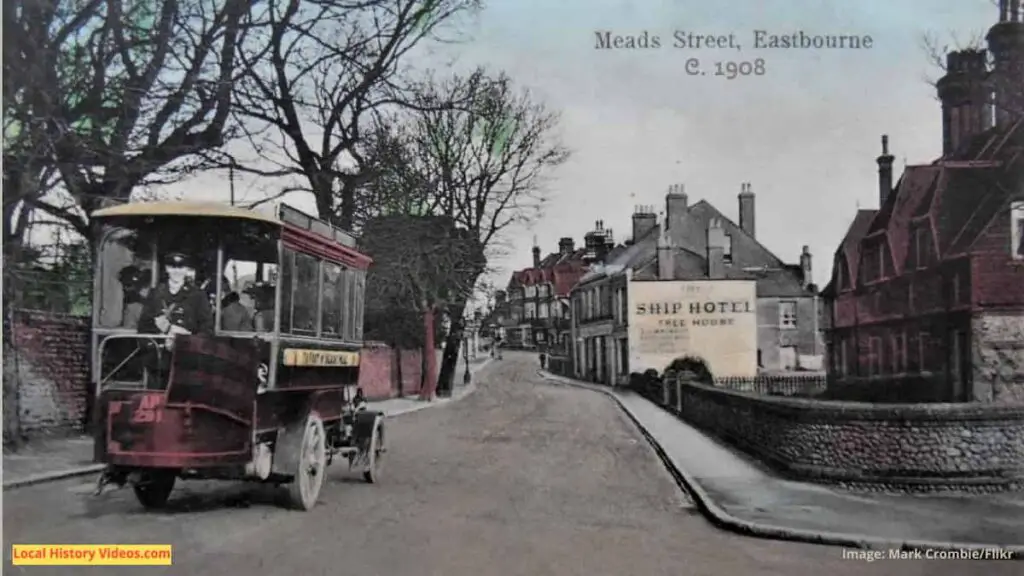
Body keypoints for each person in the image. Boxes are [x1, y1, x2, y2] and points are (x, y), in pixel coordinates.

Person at [137, 252, 214, 338]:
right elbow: (143, 327)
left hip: (186, 348)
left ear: (186, 269)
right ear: (166, 268)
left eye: (181, 267)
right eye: (172, 267)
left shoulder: (197, 295)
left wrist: (186, 335)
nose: (177, 271)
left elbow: (207, 330)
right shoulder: (156, 293)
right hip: (159, 347)